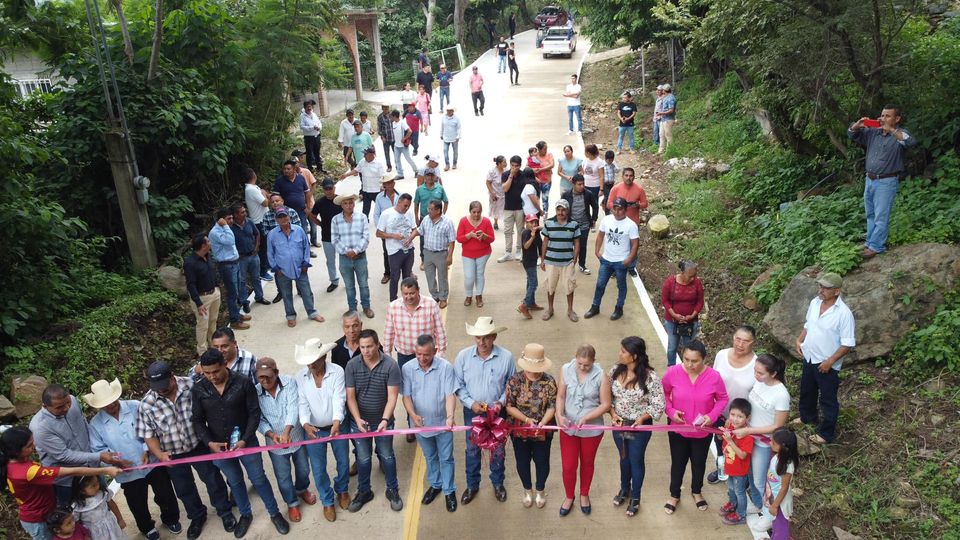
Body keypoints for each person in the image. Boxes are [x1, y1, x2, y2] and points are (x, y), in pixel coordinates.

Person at [192, 348, 289, 537]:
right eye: (207, 373)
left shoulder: (243, 382)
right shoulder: (199, 389)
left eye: (215, 371)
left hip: (247, 442)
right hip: (219, 447)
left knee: (258, 478)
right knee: (235, 482)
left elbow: (254, 412)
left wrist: (245, 439)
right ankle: (245, 514)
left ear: (224, 365)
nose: (212, 376)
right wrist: (209, 442)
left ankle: (274, 513)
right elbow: (197, 420)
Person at [137, 361, 235, 539]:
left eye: (165, 385)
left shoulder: (192, 386)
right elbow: (148, 434)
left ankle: (224, 511)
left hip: (198, 445)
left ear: (172, 377)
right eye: (157, 387)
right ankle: (197, 517)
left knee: (212, 479)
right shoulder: (147, 404)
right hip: (172, 453)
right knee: (184, 489)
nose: (162, 390)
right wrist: (159, 454)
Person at [84, 379, 180, 540]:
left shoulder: (135, 406)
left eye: (112, 401)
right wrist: (114, 460)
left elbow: (153, 428)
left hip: (152, 462)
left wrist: (147, 449)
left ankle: (171, 518)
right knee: (137, 502)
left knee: (165, 492)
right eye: (105, 404)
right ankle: (147, 527)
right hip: (128, 472)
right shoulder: (96, 424)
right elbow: (98, 450)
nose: (111, 406)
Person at [1, 427, 122, 540]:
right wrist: (105, 470)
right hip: (38, 520)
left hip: (43, 511)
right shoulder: (28, 472)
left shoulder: (14, 462)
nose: (34, 446)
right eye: (29, 445)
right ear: (16, 451)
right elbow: (72, 471)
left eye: (33, 441)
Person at [27, 385, 128, 507]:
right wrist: (99, 456)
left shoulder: (73, 401)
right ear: (45, 406)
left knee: (104, 501)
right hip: (68, 481)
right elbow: (64, 456)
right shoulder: (40, 428)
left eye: (67, 403)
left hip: (92, 469)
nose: (66, 408)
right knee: (75, 515)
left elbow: (85, 426)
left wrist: (99, 453)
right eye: (59, 407)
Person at [661, 340, 728, 515]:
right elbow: (664, 393)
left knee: (698, 462)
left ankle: (696, 492)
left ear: (704, 359)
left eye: (695, 361)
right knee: (678, 462)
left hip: (703, 431)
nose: (690, 365)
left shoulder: (714, 376)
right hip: (678, 429)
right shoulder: (673, 373)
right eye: (686, 359)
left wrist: (711, 416)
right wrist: (671, 411)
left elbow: (722, 398)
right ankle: (674, 494)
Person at [454, 317, 515, 504]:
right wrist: (470, 403)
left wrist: (501, 403)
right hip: (473, 412)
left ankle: (498, 483)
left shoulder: (507, 357)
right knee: (472, 449)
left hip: (497, 412)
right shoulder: (463, 357)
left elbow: (511, 385)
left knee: (497, 449)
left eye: (486, 337)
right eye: (478, 337)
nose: (482, 342)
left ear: (494, 336)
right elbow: (458, 384)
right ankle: (472, 485)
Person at [345, 329, 404, 512]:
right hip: (360, 424)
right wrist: (357, 419)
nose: (365, 350)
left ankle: (392, 489)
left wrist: (385, 419)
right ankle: (364, 491)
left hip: (383, 422)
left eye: (369, 346)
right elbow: (351, 397)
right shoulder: (352, 365)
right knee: (362, 459)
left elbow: (392, 397)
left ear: (378, 345)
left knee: (387, 456)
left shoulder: (391, 365)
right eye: (362, 347)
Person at [252, 358, 317, 523]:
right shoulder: (255, 392)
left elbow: (293, 408)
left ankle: (302, 489)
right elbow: (258, 419)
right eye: (261, 377)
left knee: (303, 469)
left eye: (268, 376)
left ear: (276, 373)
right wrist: (272, 435)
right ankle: (292, 502)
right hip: (275, 445)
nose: (265, 381)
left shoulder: (289, 383)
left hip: (296, 437)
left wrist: (287, 431)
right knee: (283, 477)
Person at [848, 106, 917, 258]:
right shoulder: (873, 132)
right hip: (870, 179)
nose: (883, 118)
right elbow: (851, 134)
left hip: (887, 181)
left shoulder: (900, 134)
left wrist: (891, 130)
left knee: (881, 215)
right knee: (870, 214)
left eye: (887, 116)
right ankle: (870, 242)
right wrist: (857, 125)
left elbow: (910, 142)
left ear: (897, 119)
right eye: (882, 115)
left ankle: (876, 246)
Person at [401, 334, 459, 512]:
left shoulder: (446, 368)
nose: (422, 358)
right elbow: (406, 396)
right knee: (430, 456)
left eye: (426, 354)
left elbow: (450, 394)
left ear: (435, 351)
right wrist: (413, 415)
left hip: (442, 424)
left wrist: (450, 417)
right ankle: (435, 484)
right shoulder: (407, 368)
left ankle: (449, 491)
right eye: (418, 354)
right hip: (420, 426)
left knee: (446, 458)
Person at [795, 272, 855, 444]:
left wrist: (830, 361)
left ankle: (826, 433)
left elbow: (847, 344)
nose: (821, 290)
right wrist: (800, 339)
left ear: (836, 291)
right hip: (810, 356)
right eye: (820, 286)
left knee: (828, 399)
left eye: (826, 288)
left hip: (826, 362)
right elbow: (809, 325)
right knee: (807, 390)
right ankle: (807, 417)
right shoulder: (815, 303)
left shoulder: (844, 314)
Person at [608, 336, 664, 517]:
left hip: (639, 427)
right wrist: (612, 414)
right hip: (619, 424)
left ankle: (636, 497)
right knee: (623, 458)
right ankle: (624, 489)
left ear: (634, 355)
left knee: (635, 460)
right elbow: (606, 396)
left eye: (623, 351)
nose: (619, 354)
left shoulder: (650, 377)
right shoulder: (615, 371)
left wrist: (642, 418)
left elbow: (658, 404)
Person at [295, 339, 350, 520]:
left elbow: (339, 398)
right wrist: (305, 424)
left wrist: (337, 421)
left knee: (342, 461)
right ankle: (327, 501)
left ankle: (342, 490)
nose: (311, 365)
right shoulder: (301, 377)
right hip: (314, 430)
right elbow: (302, 403)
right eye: (308, 362)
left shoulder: (337, 372)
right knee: (318, 469)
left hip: (337, 426)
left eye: (315, 361)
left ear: (324, 357)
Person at [555, 344, 611, 517]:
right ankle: (569, 496)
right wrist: (560, 415)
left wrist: (587, 417)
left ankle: (584, 494)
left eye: (586, 365)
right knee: (568, 466)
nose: (582, 367)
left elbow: (605, 404)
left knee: (587, 463)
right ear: (576, 358)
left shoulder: (601, 375)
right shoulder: (566, 369)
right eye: (579, 363)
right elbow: (561, 395)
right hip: (569, 427)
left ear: (593, 361)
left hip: (591, 429)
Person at [733, 354, 790, 514]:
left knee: (760, 480)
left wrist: (749, 430)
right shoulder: (760, 383)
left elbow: (778, 426)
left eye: (760, 373)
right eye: (755, 371)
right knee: (750, 473)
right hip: (748, 437)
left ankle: (766, 512)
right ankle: (758, 503)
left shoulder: (781, 395)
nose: (756, 375)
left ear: (773, 374)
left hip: (764, 442)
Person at [505, 343, 556, 509]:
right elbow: (509, 406)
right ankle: (527, 489)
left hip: (543, 430)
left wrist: (542, 423)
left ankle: (540, 489)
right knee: (522, 461)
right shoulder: (515, 380)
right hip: (520, 430)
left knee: (542, 461)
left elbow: (552, 406)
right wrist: (527, 420)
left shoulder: (549, 381)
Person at [707, 325, 759, 485]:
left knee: (740, 449)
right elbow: (712, 381)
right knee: (721, 444)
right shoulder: (721, 355)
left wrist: (743, 421)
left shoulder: (757, 364)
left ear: (753, 342)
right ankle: (722, 469)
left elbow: (756, 396)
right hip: (720, 413)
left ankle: (741, 479)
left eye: (746, 341)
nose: (740, 344)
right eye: (738, 339)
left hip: (741, 420)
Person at [584, 197, 640, 321]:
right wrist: (597, 251)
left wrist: (629, 259)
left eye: (620, 209)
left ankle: (619, 308)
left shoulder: (631, 225)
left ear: (625, 210)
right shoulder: (606, 220)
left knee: (621, 286)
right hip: (606, 260)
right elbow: (600, 235)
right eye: (614, 208)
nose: (617, 211)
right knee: (600, 285)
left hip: (621, 262)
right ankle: (595, 306)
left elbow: (635, 243)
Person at [267, 208, 325, 327]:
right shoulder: (272, 235)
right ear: (276, 219)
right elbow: (270, 253)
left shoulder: (299, 230)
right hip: (282, 271)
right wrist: (276, 268)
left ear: (289, 217)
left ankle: (312, 313)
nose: (283, 219)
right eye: (280, 217)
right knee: (286, 294)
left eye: (285, 216)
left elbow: (306, 247)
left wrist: (305, 262)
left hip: (300, 268)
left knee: (306, 292)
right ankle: (290, 316)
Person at [383, 277, 448, 372]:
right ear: (401, 292)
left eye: (412, 293)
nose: (408, 297)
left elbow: (440, 331)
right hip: (404, 355)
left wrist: (440, 354)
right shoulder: (393, 307)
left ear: (418, 291)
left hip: (427, 355)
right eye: (405, 294)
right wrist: (387, 355)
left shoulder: (431, 305)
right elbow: (388, 332)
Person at [330, 194, 374, 318]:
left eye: (350, 203)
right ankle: (352, 309)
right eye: (345, 203)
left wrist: (355, 251)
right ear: (342, 205)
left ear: (354, 204)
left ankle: (366, 306)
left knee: (363, 284)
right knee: (349, 286)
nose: (348, 205)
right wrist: (347, 252)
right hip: (344, 258)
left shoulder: (362, 217)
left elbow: (365, 237)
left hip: (360, 256)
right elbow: (335, 239)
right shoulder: (335, 219)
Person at [209, 208, 251, 330]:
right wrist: (226, 227)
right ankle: (234, 320)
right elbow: (230, 241)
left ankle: (237, 314)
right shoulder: (215, 232)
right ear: (221, 220)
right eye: (228, 219)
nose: (231, 221)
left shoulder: (225, 229)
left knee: (237, 291)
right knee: (232, 293)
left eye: (232, 218)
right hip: (226, 266)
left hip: (235, 263)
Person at [540, 199, 580, 322]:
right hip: (551, 261)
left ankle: (570, 310)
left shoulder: (574, 224)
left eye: (563, 210)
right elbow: (545, 242)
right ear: (555, 210)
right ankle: (550, 309)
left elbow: (577, 242)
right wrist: (542, 259)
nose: (560, 212)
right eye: (558, 209)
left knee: (569, 286)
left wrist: (574, 258)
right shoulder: (548, 223)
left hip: (567, 262)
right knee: (550, 287)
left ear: (567, 211)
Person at [411, 200, 456, 307]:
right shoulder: (426, 219)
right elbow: (419, 230)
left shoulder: (447, 222)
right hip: (428, 253)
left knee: (442, 277)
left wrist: (449, 256)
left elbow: (452, 241)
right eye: (428, 209)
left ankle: (443, 298)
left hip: (441, 254)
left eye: (431, 209)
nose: (429, 211)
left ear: (438, 210)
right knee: (430, 277)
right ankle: (435, 296)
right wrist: (410, 237)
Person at [757, 428, 799, 540]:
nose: (770, 443)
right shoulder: (777, 456)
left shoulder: (787, 465)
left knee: (780, 526)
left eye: (773, 442)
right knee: (776, 524)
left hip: (780, 502)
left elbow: (784, 487)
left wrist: (775, 505)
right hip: (773, 497)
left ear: (783, 447)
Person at [184, 234, 223, 354]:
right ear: (203, 245)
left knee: (213, 321)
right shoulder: (190, 263)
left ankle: (214, 346)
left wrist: (217, 288)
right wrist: (198, 303)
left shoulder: (208, 257)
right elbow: (191, 284)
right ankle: (202, 351)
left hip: (214, 293)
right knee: (203, 325)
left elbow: (212, 273)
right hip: (202, 298)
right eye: (208, 242)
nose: (210, 243)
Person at [662, 260, 705, 366]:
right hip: (672, 321)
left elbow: (700, 301)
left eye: (694, 275)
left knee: (689, 347)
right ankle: (671, 368)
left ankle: (687, 369)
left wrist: (693, 315)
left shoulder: (697, 283)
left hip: (690, 321)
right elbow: (665, 301)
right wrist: (674, 315)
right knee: (672, 347)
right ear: (682, 273)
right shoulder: (670, 282)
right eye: (690, 276)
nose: (693, 278)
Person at [718, 398, 754, 525]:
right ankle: (732, 504)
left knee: (739, 492)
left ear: (747, 418)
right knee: (731, 488)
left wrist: (730, 440)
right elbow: (723, 443)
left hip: (740, 471)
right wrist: (721, 434)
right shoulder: (731, 427)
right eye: (732, 415)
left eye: (740, 416)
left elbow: (742, 455)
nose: (735, 419)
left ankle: (741, 515)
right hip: (730, 467)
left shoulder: (748, 436)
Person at [376, 193, 417, 301]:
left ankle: (407, 300)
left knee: (407, 277)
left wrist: (410, 238)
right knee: (394, 277)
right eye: (405, 205)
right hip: (394, 252)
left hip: (409, 250)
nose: (406, 208)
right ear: (399, 202)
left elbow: (414, 229)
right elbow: (378, 233)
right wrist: (393, 236)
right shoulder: (386, 214)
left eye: (408, 206)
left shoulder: (410, 213)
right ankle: (393, 301)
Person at [456, 201, 495, 307]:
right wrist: (469, 235)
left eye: (478, 212)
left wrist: (484, 236)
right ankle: (468, 295)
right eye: (474, 212)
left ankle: (478, 296)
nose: (476, 214)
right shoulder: (463, 221)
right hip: (468, 254)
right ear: (470, 211)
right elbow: (459, 238)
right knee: (469, 276)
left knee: (479, 274)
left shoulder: (486, 221)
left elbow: (492, 238)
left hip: (483, 253)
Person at [307, 177, 342, 293]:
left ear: (334, 188)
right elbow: (312, 215)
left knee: (345, 259)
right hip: (327, 236)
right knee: (330, 260)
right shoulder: (320, 202)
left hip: (342, 235)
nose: (329, 191)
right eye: (326, 189)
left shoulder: (341, 200)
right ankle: (334, 281)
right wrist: (321, 224)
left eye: (330, 188)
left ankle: (348, 279)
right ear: (323, 189)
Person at [231, 204, 268, 310]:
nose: (245, 213)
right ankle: (244, 301)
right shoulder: (230, 227)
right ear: (235, 215)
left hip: (253, 255)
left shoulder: (249, 221)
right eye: (242, 212)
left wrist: (257, 247)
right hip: (241, 258)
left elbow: (257, 234)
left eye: (244, 211)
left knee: (256, 277)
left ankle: (259, 297)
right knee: (242, 280)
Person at [189, 327, 257, 385]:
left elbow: (258, 389)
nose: (220, 350)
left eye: (224, 346)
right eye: (216, 347)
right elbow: (190, 381)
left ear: (234, 343)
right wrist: (197, 369)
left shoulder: (250, 359)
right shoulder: (210, 358)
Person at [561, 174, 598, 274]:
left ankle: (582, 265)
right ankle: (568, 264)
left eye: (583, 184)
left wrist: (594, 219)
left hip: (584, 225)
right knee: (568, 245)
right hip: (570, 225)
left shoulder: (588, 194)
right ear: (573, 184)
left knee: (582, 246)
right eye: (579, 184)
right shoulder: (566, 195)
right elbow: (561, 209)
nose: (582, 186)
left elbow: (595, 206)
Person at [70, 474, 125, 540]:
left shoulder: (103, 493)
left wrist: (120, 519)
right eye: (93, 485)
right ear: (82, 491)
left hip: (111, 525)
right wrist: (83, 535)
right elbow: (76, 522)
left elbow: (112, 504)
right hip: (93, 532)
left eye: (97, 482)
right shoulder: (78, 506)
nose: (97, 486)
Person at [241, 168, 273, 281]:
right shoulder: (251, 189)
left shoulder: (254, 188)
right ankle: (262, 272)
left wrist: (264, 193)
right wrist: (265, 194)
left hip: (263, 220)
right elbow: (265, 203)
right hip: (259, 221)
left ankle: (267, 265)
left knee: (267, 245)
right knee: (263, 247)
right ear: (253, 175)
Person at [273, 160, 312, 245]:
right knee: (288, 231)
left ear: (294, 169)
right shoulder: (279, 181)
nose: (286, 171)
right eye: (284, 169)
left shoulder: (301, 178)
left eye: (288, 169)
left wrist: (308, 207)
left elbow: (307, 192)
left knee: (303, 230)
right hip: (286, 213)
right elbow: (276, 196)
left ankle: (306, 249)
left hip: (301, 211)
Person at [374, 175, 403, 285]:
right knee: (387, 251)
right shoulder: (379, 197)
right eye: (387, 183)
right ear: (384, 185)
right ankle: (387, 273)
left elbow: (404, 210)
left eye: (391, 182)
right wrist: (380, 228)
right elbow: (376, 214)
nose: (390, 184)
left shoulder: (400, 195)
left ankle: (406, 271)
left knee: (403, 249)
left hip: (399, 229)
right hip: (386, 230)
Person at [498, 155, 526, 261]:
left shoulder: (523, 175)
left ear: (520, 165)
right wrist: (511, 176)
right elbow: (505, 189)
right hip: (508, 207)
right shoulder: (505, 174)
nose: (514, 168)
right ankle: (508, 252)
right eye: (512, 165)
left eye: (517, 166)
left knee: (520, 230)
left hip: (520, 208)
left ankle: (519, 250)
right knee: (508, 231)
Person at [517, 215, 543, 318]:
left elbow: (540, 245)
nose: (534, 224)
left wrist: (542, 258)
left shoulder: (536, 232)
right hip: (528, 262)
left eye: (535, 222)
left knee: (530, 282)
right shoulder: (526, 233)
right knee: (533, 283)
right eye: (531, 222)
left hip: (533, 260)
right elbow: (526, 246)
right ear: (526, 223)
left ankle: (531, 303)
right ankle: (524, 305)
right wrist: (532, 236)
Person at [391, 110, 418, 180]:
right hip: (396, 145)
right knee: (397, 160)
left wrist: (405, 138)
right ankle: (400, 174)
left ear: (394, 116)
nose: (391, 118)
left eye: (392, 116)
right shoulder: (393, 123)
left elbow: (410, 131)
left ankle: (416, 171)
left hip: (403, 146)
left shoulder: (402, 123)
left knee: (408, 159)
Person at [530, 141, 555, 210]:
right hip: (536, 181)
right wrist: (533, 170)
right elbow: (528, 167)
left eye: (546, 148)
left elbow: (552, 165)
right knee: (536, 199)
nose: (546, 150)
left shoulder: (549, 155)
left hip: (546, 181)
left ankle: (545, 215)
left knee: (545, 198)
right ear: (540, 149)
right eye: (544, 149)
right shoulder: (534, 156)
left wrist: (541, 169)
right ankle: (537, 214)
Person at [299, 100, 322, 170]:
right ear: (305, 107)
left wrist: (319, 127)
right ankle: (310, 168)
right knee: (309, 153)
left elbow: (319, 122)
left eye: (310, 106)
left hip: (317, 136)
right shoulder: (302, 116)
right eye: (308, 107)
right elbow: (302, 127)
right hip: (309, 138)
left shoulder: (314, 114)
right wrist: (312, 128)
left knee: (317, 152)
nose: (309, 108)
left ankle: (319, 167)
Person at [486, 156, 507, 229]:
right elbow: (488, 183)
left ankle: (507, 224)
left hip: (504, 194)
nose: (506, 164)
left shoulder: (506, 170)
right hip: (495, 194)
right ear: (498, 164)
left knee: (505, 209)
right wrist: (492, 193)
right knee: (495, 208)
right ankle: (495, 222)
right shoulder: (492, 172)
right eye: (504, 162)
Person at [657, 84, 677, 154]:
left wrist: (661, 113)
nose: (661, 91)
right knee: (661, 134)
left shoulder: (671, 98)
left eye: (662, 90)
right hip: (663, 119)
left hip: (669, 119)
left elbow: (671, 110)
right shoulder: (666, 97)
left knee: (668, 135)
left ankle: (669, 152)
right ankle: (661, 151)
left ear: (665, 90)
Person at [440, 106, 461, 170]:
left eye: (450, 110)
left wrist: (458, 137)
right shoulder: (443, 118)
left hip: (454, 138)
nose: (449, 112)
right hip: (446, 138)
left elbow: (459, 128)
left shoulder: (456, 119)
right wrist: (441, 134)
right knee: (445, 151)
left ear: (453, 111)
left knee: (455, 152)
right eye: (448, 110)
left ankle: (454, 163)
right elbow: (442, 127)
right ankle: (447, 164)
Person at [376, 103, 394, 172]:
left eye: (387, 108)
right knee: (386, 153)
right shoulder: (380, 117)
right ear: (382, 108)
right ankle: (389, 166)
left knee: (396, 153)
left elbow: (396, 124)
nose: (386, 109)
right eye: (384, 108)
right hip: (385, 139)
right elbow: (379, 128)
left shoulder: (392, 115)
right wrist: (382, 137)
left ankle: (397, 165)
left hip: (393, 137)